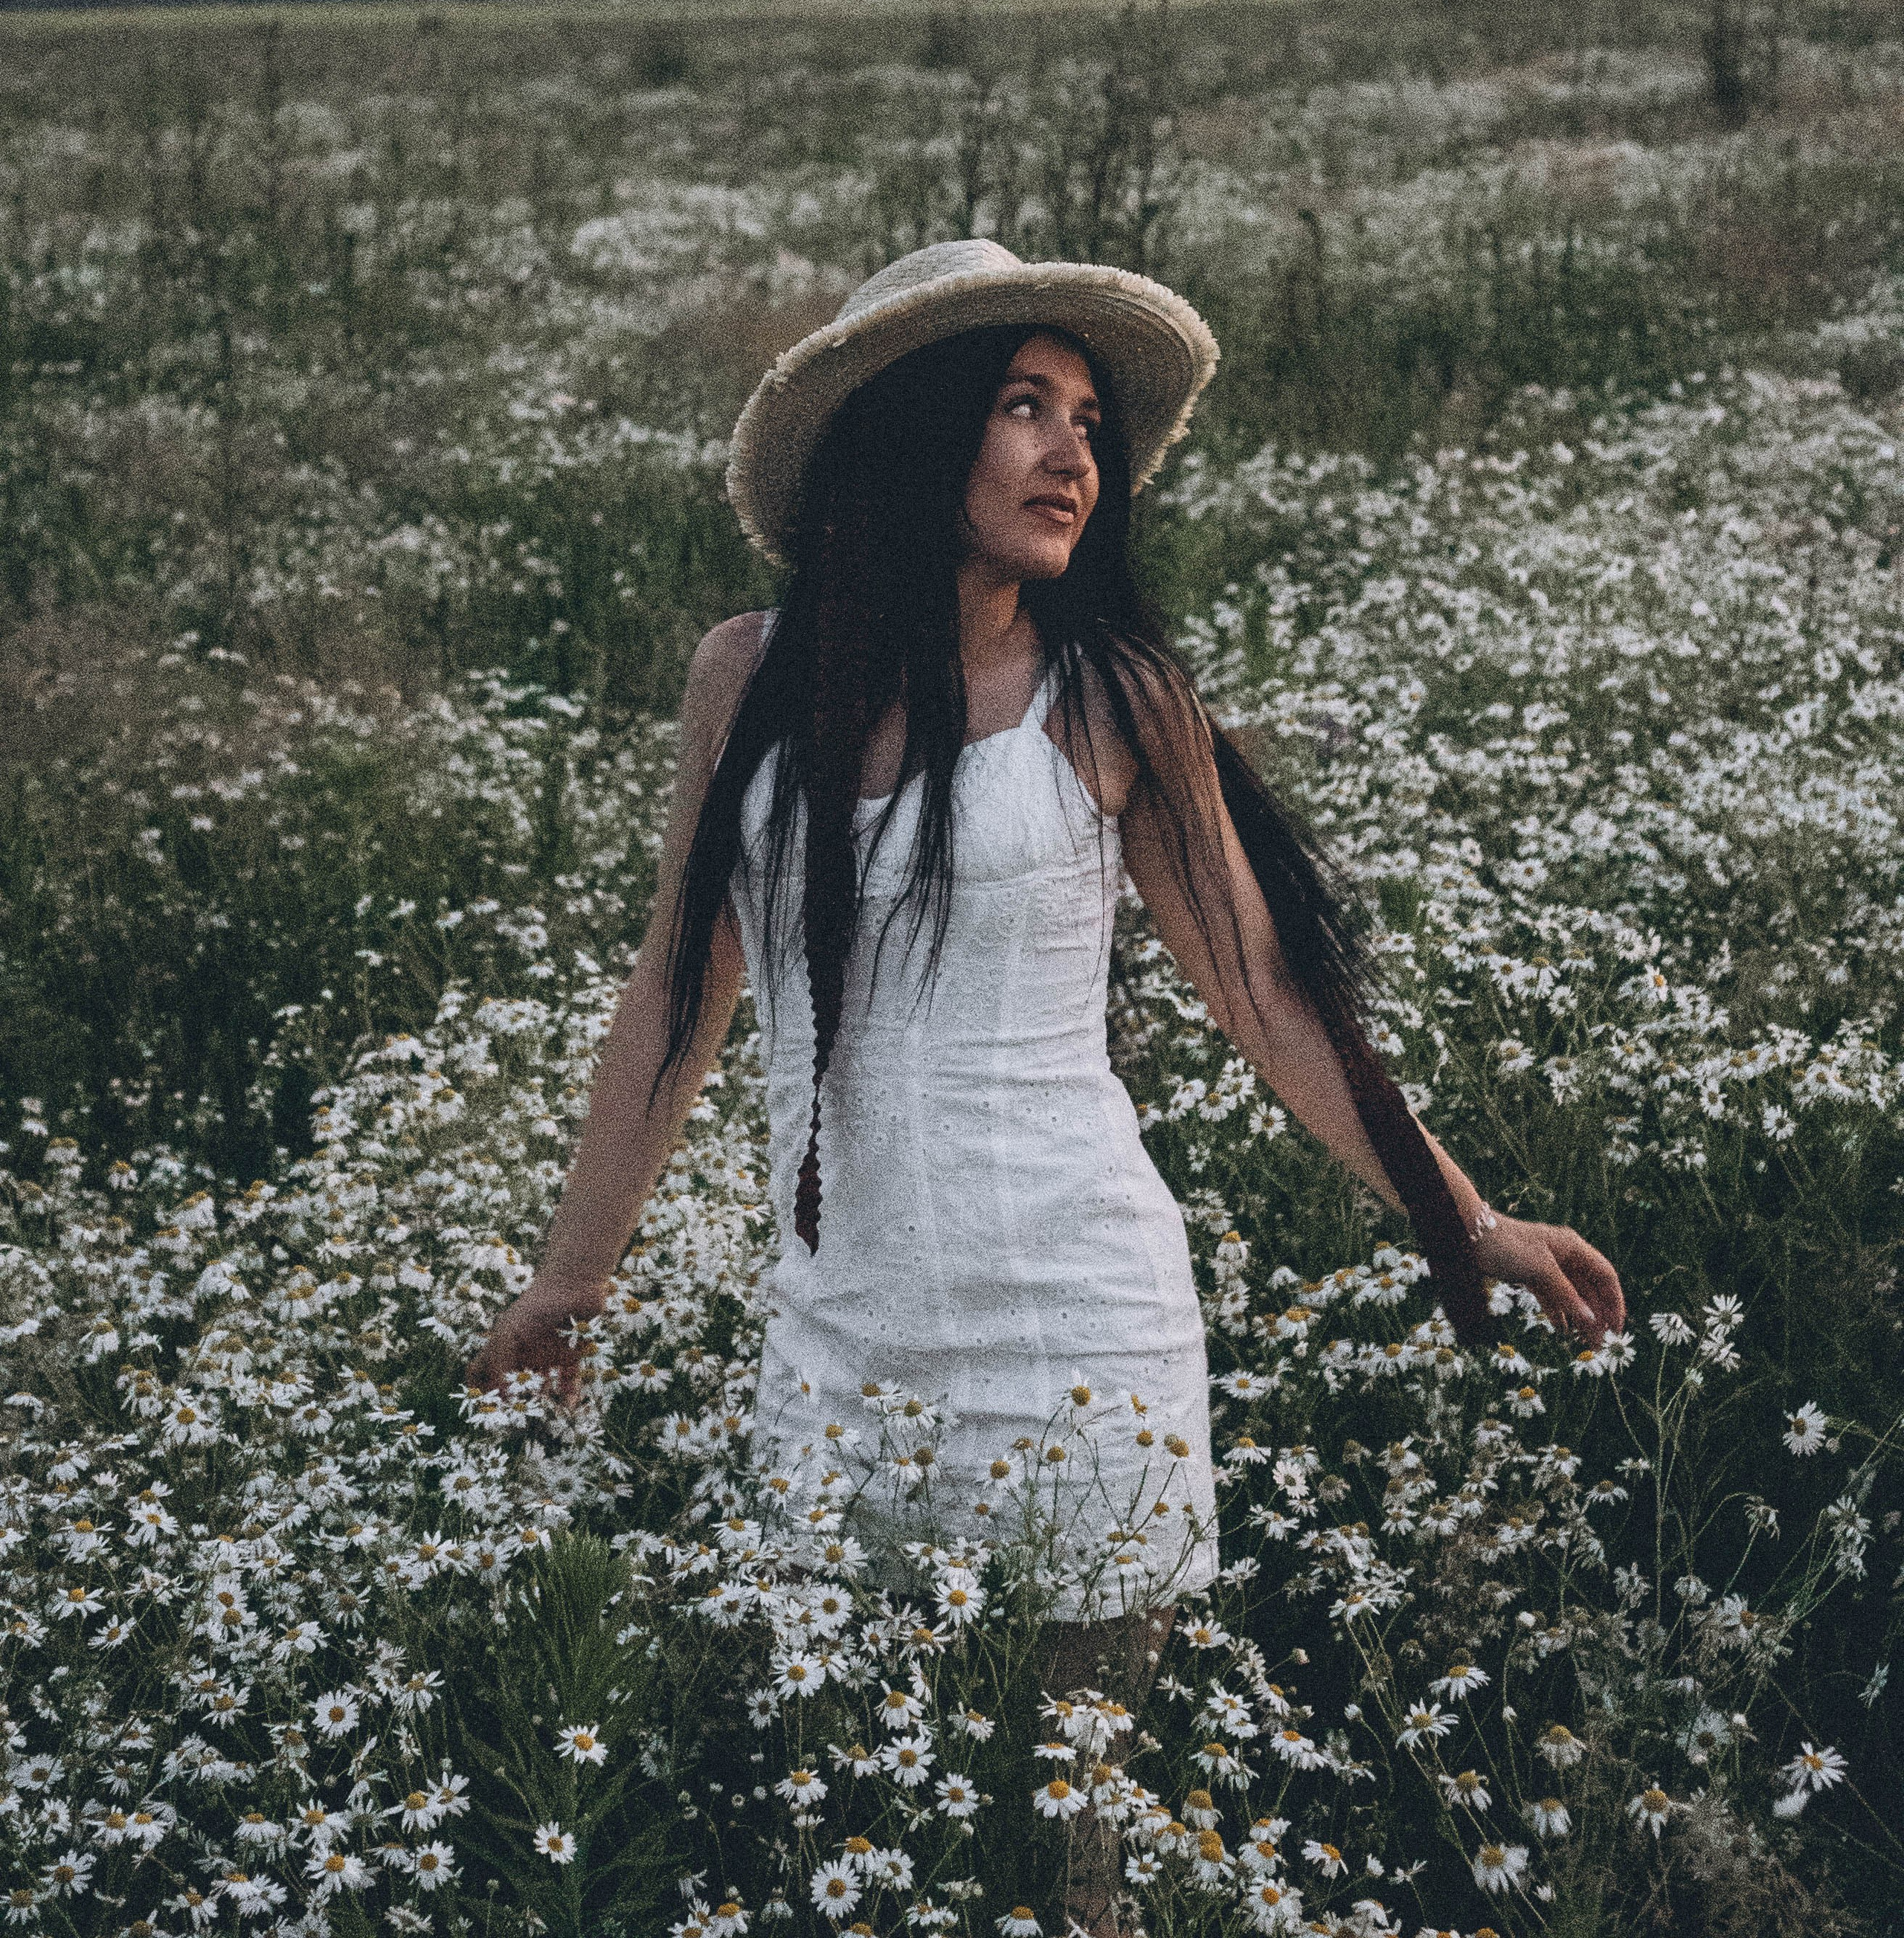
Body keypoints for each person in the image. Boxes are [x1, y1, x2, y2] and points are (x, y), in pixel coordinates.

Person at [469, 239, 1624, 1930]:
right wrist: (573, 1279)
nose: (1073, 455)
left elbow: (1272, 999)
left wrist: (1466, 1222)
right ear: (907, 433)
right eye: (1022, 407)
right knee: (853, 1843)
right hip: (838, 1342)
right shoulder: (747, 679)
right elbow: (673, 993)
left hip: (1080, 1347)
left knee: (1059, 1868)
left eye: (1085, 417)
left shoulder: (1111, 700)